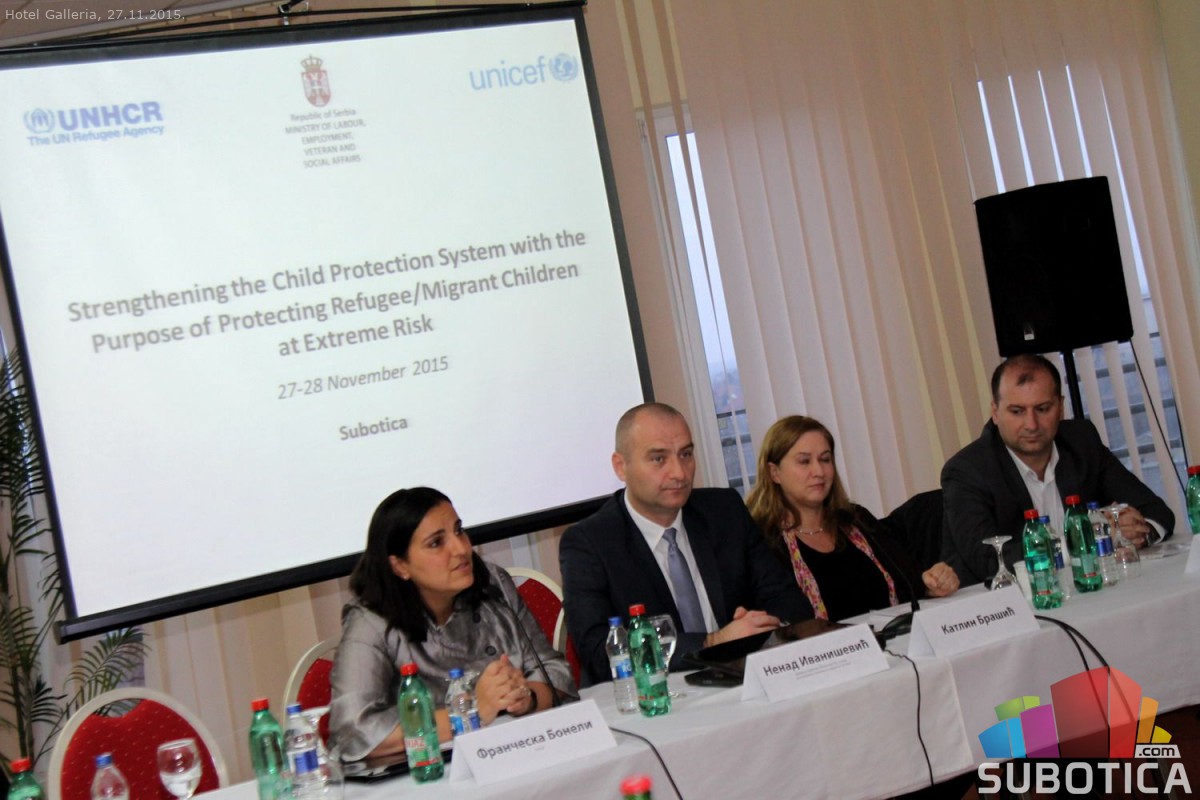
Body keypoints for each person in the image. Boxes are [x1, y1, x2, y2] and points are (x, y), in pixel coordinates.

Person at [559, 402, 811, 686]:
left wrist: (758, 627)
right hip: (655, 698)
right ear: (621, 466)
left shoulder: (724, 511)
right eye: (659, 459)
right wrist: (712, 642)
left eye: (686, 454)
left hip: (742, 681)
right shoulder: (589, 543)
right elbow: (599, 651)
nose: (679, 473)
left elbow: (788, 600)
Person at [329, 487, 577, 761]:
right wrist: (471, 711)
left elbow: (554, 671)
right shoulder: (370, 621)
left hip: (509, 753)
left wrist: (526, 698)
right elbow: (352, 731)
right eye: (437, 543)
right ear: (400, 566)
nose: (461, 549)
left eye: (459, 531)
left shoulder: (492, 584)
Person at [941, 354, 1175, 584]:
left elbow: (1156, 511)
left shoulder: (1082, 442)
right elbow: (989, 561)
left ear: (1060, 407)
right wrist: (1090, 539)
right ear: (995, 412)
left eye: (1042, 409)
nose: (1031, 424)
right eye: (1017, 411)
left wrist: (1138, 533)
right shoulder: (968, 470)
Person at [746, 415, 958, 621]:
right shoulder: (763, 541)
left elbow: (910, 582)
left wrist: (933, 582)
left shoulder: (855, 520)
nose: (819, 471)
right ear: (774, 473)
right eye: (804, 461)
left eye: (825, 459)